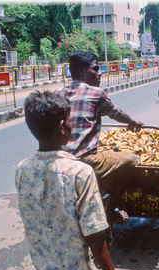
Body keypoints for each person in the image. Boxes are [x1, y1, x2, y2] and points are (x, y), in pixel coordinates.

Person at [15, 90, 123, 270]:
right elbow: (95, 237)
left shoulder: (22, 170)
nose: (71, 125)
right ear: (61, 127)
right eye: (69, 120)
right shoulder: (80, 173)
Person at [55, 51, 143, 225]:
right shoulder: (96, 94)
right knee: (133, 159)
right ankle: (109, 212)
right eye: (96, 69)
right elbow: (117, 114)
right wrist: (133, 123)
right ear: (81, 71)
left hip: (60, 161)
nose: (100, 72)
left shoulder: (57, 93)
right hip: (85, 161)